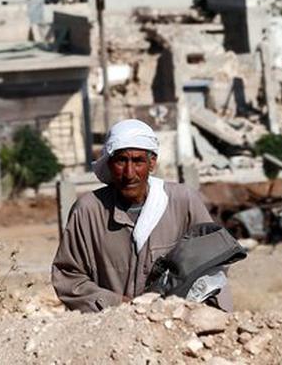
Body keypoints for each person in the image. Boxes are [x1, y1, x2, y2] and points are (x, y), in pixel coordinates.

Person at [52, 119, 232, 312]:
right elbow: (68, 275)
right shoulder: (88, 211)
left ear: (152, 162)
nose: (129, 173)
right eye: (121, 160)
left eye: (138, 161)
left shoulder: (183, 202)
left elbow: (213, 264)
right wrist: (118, 305)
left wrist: (189, 311)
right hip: (114, 327)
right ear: (110, 164)